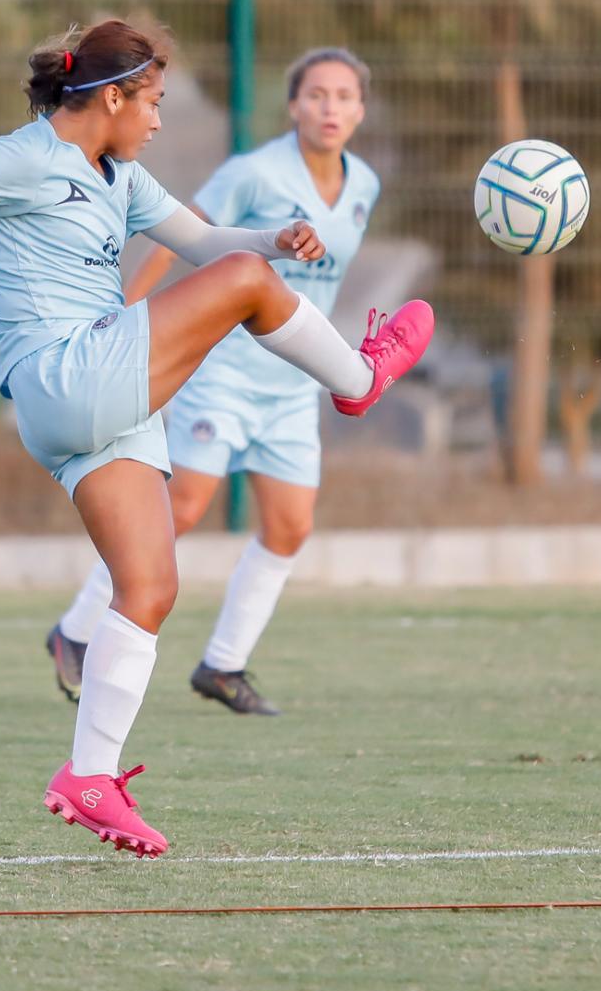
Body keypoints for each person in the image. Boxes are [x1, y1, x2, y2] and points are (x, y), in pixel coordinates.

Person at [0, 20, 432, 857]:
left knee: (150, 587)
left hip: (94, 401)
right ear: (109, 97)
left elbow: (200, 240)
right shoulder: (21, 157)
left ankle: (89, 776)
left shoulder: (119, 173)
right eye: (150, 101)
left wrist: (274, 238)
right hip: (66, 373)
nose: (157, 119)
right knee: (247, 289)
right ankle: (360, 379)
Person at [46, 48, 381, 716]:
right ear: (293, 105)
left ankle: (223, 665)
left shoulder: (365, 184)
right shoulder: (254, 172)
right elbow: (177, 235)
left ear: (360, 110)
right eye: (316, 94)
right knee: (187, 504)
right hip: (226, 369)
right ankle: (77, 631)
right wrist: (125, 309)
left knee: (290, 527)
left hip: (292, 387)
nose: (330, 107)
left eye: (344, 96)